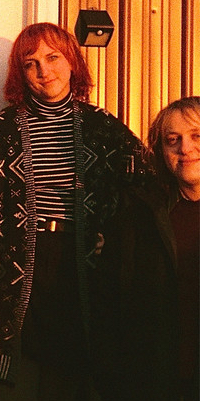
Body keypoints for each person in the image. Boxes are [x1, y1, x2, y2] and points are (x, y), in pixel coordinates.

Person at [0, 22, 175, 400]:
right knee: (10, 387)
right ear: (20, 74)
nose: (44, 70)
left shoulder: (101, 127)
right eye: (31, 63)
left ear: (72, 60)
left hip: (83, 276)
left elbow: (151, 184)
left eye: (53, 57)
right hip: (12, 283)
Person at [148, 97, 199, 401]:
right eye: (172, 140)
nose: (185, 148)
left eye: (197, 135)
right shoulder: (145, 219)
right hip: (164, 381)